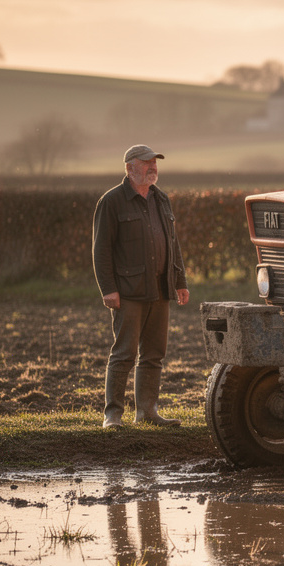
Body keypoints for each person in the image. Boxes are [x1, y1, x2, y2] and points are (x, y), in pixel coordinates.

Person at [92, 145, 189, 428]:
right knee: (124, 353)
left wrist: (180, 282)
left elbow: (173, 244)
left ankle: (147, 412)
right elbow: (101, 250)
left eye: (154, 163)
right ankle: (113, 415)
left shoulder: (162, 199)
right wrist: (108, 288)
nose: (152, 167)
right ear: (129, 168)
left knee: (154, 355)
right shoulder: (111, 201)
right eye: (146, 163)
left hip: (161, 289)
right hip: (128, 292)